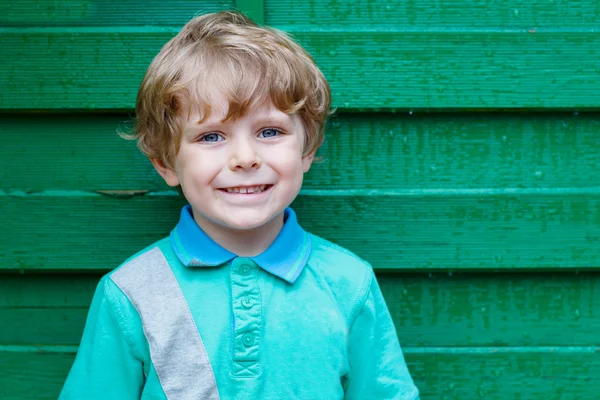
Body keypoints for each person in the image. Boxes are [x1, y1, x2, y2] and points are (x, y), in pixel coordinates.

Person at [60, 11, 419, 400]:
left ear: (307, 150)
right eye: (212, 136)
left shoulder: (349, 283)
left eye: (270, 131)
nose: (244, 158)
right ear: (165, 163)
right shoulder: (130, 292)